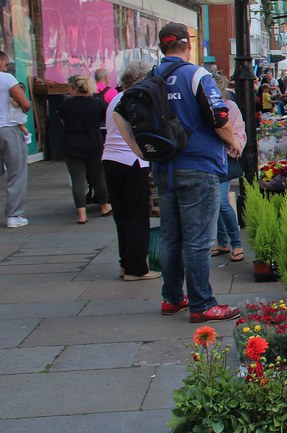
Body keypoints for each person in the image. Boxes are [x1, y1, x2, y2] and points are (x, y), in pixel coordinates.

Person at [115, 22, 240, 323]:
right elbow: (219, 116)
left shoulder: (151, 77)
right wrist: (233, 141)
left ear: (162, 47)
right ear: (187, 44)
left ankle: (172, 298)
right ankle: (202, 304)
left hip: (165, 168)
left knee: (171, 237)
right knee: (198, 240)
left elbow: (120, 113)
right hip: (199, 167)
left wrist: (141, 152)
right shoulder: (196, 75)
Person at [102, 61, 160, 281]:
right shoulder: (136, 100)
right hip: (132, 162)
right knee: (137, 216)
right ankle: (137, 269)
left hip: (110, 160)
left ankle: (125, 262)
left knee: (122, 216)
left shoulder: (115, 99)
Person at [59, 75, 111, 224]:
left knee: (78, 179)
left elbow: (63, 122)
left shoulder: (65, 105)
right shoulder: (97, 103)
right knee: (99, 177)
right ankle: (104, 206)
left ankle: (82, 215)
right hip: (94, 144)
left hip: (72, 145)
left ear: (74, 88)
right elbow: (106, 118)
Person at [209, 71, 246, 263]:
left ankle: (237, 243)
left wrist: (233, 144)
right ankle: (223, 242)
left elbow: (239, 133)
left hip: (224, 159)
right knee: (216, 201)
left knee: (221, 201)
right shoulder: (204, 107)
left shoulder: (230, 107)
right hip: (209, 160)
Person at [0, 51, 30, 227]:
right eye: (4, 64)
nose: (6, 67)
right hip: (8, 128)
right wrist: (21, 112)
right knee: (16, 172)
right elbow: (25, 103)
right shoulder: (7, 78)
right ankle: (14, 215)